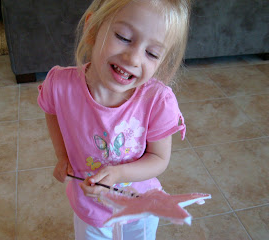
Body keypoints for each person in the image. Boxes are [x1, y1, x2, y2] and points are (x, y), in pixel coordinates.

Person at [37, 0, 190, 239]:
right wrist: (62, 156)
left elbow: (159, 158)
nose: (133, 59)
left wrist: (119, 174)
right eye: (124, 37)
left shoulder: (157, 101)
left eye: (152, 53)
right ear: (93, 30)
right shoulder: (59, 85)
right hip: (90, 208)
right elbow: (51, 109)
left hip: (140, 205)